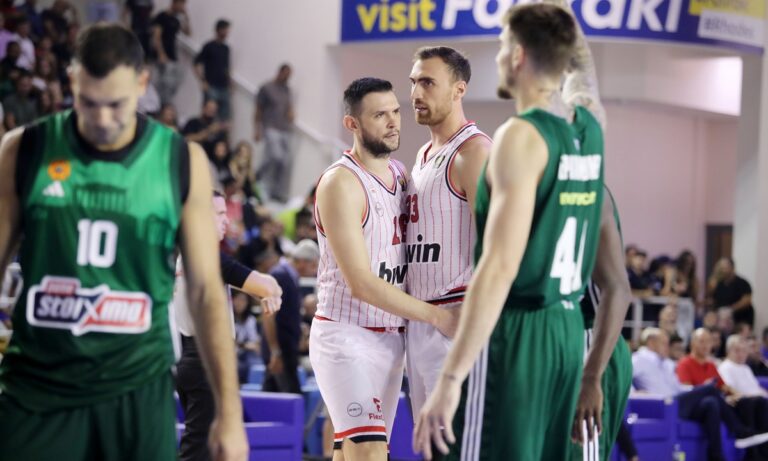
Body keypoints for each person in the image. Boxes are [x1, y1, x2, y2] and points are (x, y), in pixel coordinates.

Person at [0, 24, 247, 460]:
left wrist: (229, 413)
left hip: (138, 390)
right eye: (88, 102)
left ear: (142, 83)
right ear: (71, 82)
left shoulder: (180, 159)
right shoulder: (24, 150)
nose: (102, 119)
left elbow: (207, 290)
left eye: (116, 104)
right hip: (39, 388)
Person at [414, 4, 606, 459]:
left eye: (502, 46)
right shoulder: (590, 128)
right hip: (567, 329)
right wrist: (558, 19)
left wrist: (450, 378)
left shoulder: (519, 135)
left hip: (520, 332)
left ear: (518, 56)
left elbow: (499, 267)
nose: (498, 56)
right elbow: (584, 80)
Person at [310, 77, 458, 461]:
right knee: (371, 451)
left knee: (352, 451)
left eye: (396, 111)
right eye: (379, 115)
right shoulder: (340, 183)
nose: (393, 122)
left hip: (391, 340)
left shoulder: (402, 175)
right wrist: (437, 316)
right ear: (352, 124)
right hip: (347, 333)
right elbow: (361, 283)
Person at [404, 45, 492, 421]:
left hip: (456, 322)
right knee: (429, 443)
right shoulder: (423, 154)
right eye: (413, 82)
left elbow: (498, 247)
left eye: (427, 82)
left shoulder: (474, 152)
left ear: (459, 89)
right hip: (422, 319)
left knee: (458, 441)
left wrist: (476, 315)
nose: (415, 93)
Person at [174, 190, 282, 461]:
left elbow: (257, 286)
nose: (227, 221)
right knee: (198, 452)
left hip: (192, 358)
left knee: (210, 448)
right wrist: (270, 291)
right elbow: (265, 284)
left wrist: (266, 291)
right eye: (220, 213)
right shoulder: (204, 255)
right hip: (204, 361)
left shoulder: (189, 254)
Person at [633, 329, 768, 460]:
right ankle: (739, 431)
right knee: (710, 389)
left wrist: (696, 391)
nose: (668, 347)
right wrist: (635, 392)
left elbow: (678, 388)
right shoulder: (639, 359)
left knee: (710, 403)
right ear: (651, 342)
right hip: (662, 405)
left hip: (677, 400)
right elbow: (626, 379)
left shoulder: (666, 363)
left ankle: (715, 456)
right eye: (664, 343)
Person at [258, 239, 319, 394]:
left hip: (284, 351)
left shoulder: (289, 277)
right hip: (280, 353)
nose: (315, 271)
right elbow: (268, 315)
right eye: (314, 265)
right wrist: (275, 351)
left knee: (271, 397)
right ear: (303, 262)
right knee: (290, 397)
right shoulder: (280, 276)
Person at [254, 63, 294, 203]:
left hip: (284, 129)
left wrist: (291, 113)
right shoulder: (266, 88)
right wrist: (257, 129)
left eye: (289, 76)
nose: (287, 78)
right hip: (270, 127)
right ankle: (258, 176)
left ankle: (277, 192)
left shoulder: (287, 90)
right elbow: (258, 109)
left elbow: (288, 107)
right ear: (280, 72)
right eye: (286, 75)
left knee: (284, 161)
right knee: (275, 156)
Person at [150, 0, 189, 105]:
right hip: (161, 56)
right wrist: (161, 54)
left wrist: (186, 16)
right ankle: (154, 105)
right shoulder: (162, 16)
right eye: (181, 4)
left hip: (172, 56)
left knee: (170, 85)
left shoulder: (176, 20)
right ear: (174, 3)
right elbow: (156, 36)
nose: (182, 7)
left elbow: (188, 33)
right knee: (157, 84)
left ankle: (164, 106)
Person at [195, 19, 231, 120]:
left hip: (224, 86)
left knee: (224, 116)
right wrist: (203, 81)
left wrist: (229, 83)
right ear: (219, 30)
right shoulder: (209, 46)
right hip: (211, 85)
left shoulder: (226, 48)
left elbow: (226, 67)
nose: (227, 33)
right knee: (208, 113)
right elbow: (196, 63)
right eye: (225, 30)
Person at [708, 257, 755, 328]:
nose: (723, 270)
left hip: (741, 319)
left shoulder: (742, 283)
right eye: (721, 268)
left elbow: (747, 300)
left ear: (732, 268)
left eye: (725, 268)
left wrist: (731, 309)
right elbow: (713, 300)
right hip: (723, 321)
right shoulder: (718, 284)